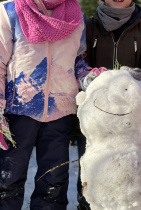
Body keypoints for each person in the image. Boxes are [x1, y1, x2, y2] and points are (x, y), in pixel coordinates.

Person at [0, 0, 90, 209]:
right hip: (17, 111)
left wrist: (89, 77)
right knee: (7, 178)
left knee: (54, 183)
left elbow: (78, 59)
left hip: (61, 112)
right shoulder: (10, 11)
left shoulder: (75, 15)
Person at [75, 0, 141, 209]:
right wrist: (88, 80)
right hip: (96, 120)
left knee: (129, 178)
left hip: (130, 122)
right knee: (89, 174)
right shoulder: (87, 27)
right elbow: (78, 61)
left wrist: (139, 78)